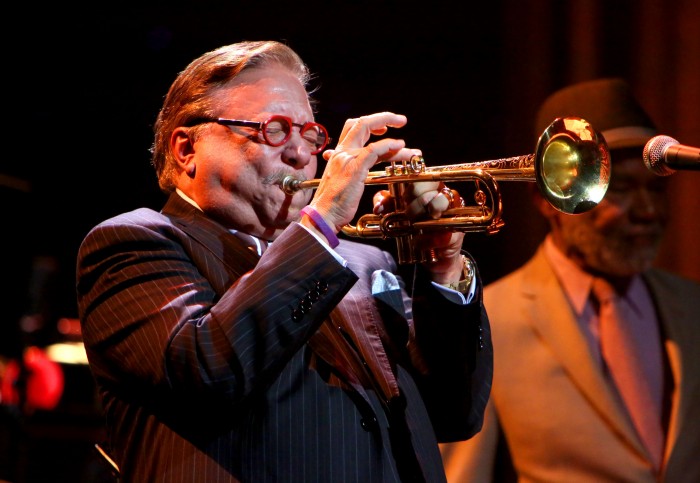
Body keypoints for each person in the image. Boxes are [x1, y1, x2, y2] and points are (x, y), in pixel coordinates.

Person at [76, 40, 493, 482]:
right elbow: (208, 372)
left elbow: (455, 413)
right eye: (274, 129)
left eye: (310, 133)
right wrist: (324, 219)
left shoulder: (365, 261)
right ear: (186, 149)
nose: (301, 153)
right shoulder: (134, 242)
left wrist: (441, 263)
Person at [439, 77, 700, 482]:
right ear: (548, 199)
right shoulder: (491, 321)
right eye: (622, 189)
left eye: (655, 190)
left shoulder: (692, 306)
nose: (648, 211)